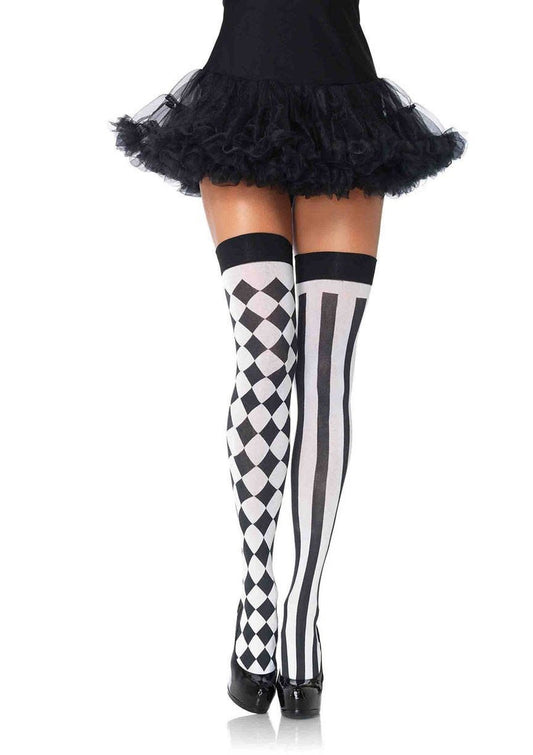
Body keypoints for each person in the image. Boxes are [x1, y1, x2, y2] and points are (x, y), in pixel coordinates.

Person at [112, 0, 465, 718]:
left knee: (326, 370)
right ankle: (257, 598)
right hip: (239, 99)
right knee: (264, 351)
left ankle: (301, 612)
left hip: (344, 109)